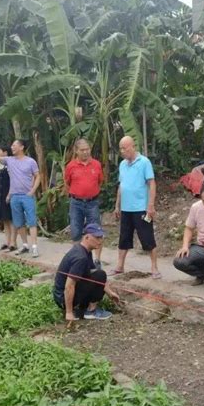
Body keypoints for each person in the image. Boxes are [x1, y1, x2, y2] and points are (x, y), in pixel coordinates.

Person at [112, 136, 160, 278]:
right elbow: (121, 185)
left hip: (141, 208)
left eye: (124, 148)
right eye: (120, 148)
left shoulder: (144, 162)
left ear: (133, 146)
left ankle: (154, 267)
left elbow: (152, 183)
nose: (122, 151)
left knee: (147, 238)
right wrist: (117, 205)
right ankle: (120, 266)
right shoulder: (122, 164)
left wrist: (150, 205)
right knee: (124, 238)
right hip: (126, 209)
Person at [53, 223, 120, 321]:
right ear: (87, 237)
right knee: (101, 274)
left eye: (101, 237)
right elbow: (69, 286)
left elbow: (91, 274)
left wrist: (110, 293)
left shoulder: (84, 251)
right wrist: (69, 313)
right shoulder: (80, 257)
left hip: (61, 296)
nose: (100, 241)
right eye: (97, 237)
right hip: (62, 298)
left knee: (97, 273)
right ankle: (91, 311)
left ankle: (82, 307)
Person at [65, 138, 104, 268]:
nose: (86, 152)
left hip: (92, 202)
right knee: (76, 231)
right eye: (82, 150)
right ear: (76, 151)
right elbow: (67, 183)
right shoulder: (70, 166)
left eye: (87, 149)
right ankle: (79, 259)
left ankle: (97, 261)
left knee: (96, 232)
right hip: (76, 203)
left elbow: (100, 181)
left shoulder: (96, 164)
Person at [0, 145, 17, 251]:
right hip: (0, 195)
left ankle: (13, 242)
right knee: (4, 219)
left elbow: (13, 181)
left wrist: (10, 194)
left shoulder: (10, 165)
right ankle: (6, 241)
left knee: (11, 219)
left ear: (5, 153)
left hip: (8, 194)